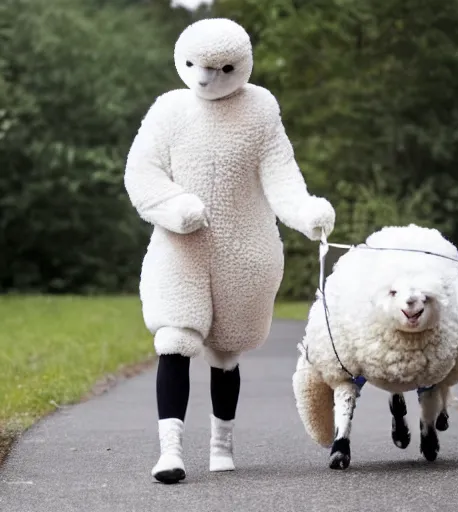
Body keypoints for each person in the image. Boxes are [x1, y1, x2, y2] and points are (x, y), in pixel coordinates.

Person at [124, 17, 336, 483]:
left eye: (220, 68)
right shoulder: (169, 111)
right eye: (195, 66)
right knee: (174, 339)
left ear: (240, 65)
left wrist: (305, 213)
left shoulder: (260, 109)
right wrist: (174, 207)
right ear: (182, 58)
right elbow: (141, 173)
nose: (204, 78)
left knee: (226, 352)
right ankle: (171, 451)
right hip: (180, 246)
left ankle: (222, 443)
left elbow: (280, 173)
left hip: (245, 249)